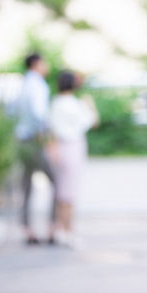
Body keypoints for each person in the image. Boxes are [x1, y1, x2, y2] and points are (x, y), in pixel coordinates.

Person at [48, 71, 98, 247]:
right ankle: (68, 231)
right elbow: (93, 121)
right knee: (69, 192)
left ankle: (60, 228)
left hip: (60, 147)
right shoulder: (76, 104)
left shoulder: (55, 103)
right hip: (73, 146)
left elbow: (51, 129)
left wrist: (52, 149)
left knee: (62, 191)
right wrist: (90, 105)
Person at [15, 53, 57, 245]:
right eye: (44, 62)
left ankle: (27, 230)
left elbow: (12, 112)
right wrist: (49, 139)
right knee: (56, 181)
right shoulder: (38, 85)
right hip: (34, 140)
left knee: (26, 186)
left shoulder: (23, 84)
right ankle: (52, 229)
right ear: (36, 64)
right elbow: (40, 114)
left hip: (22, 139)